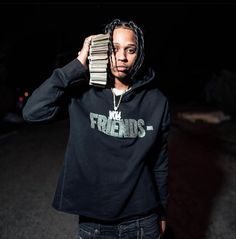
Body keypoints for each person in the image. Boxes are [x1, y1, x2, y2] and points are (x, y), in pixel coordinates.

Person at [23, 19, 171, 239]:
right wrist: (78, 64)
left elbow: (160, 162)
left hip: (142, 219)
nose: (122, 57)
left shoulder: (156, 101)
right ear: (101, 50)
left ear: (139, 54)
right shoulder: (82, 92)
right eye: (114, 49)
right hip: (95, 223)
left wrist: (162, 212)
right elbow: (33, 112)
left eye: (130, 50)